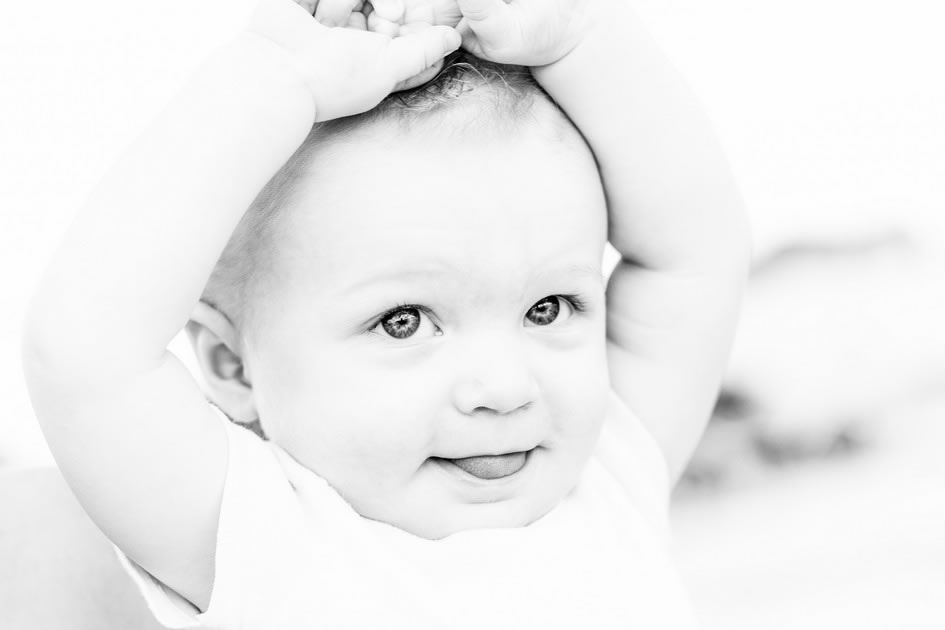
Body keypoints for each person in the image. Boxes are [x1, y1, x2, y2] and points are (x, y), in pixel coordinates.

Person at [21, 0, 747, 626]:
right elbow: (87, 355)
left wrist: (583, 41)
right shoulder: (270, 544)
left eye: (547, 308)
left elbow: (695, 247)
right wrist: (274, 76)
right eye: (403, 321)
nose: (502, 388)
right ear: (231, 364)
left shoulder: (608, 478)